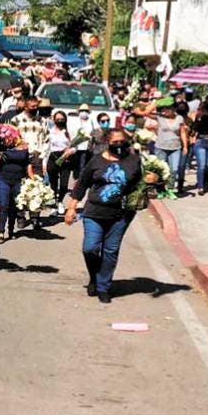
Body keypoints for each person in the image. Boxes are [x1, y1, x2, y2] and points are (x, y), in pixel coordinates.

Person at [65, 129, 147, 304]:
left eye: (122, 141)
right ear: (107, 142)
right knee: (90, 248)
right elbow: (82, 184)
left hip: (121, 214)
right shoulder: (96, 160)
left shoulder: (134, 160)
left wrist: (153, 180)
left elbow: (141, 184)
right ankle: (94, 276)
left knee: (110, 251)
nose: (119, 145)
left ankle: (103, 286)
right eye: (115, 142)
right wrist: (71, 208)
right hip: (94, 212)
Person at [0, 133, 32, 243]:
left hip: (18, 179)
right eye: (5, 138)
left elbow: (27, 163)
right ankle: (0, 232)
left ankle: (11, 229)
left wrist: (32, 178)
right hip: (3, 178)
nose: (7, 139)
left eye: (9, 137)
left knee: (14, 205)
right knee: (3, 204)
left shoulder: (24, 147)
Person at [152, 97, 188, 193]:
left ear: (174, 109)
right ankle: (160, 189)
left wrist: (185, 146)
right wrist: (157, 103)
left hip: (175, 147)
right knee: (161, 169)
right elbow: (144, 113)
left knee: (174, 169)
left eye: (168, 108)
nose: (166, 110)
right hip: (161, 147)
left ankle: (170, 189)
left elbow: (183, 132)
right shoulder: (160, 117)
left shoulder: (179, 118)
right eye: (164, 108)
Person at [46, 110, 76, 214]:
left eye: (62, 119)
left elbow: (75, 146)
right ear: (54, 120)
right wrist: (44, 162)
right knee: (53, 184)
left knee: (63, 184)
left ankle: (60, 201)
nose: (60, 121)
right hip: (53, 157)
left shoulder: (69, 131)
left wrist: (70, 151)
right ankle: (54, 204)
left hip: (66, 158)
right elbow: (47, 146)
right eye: (58, 119)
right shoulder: (50, 131)